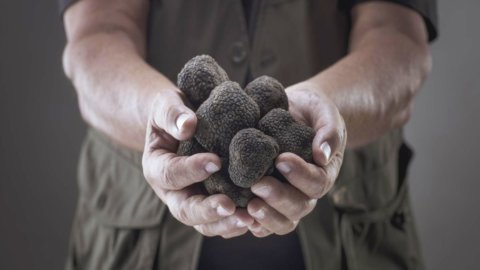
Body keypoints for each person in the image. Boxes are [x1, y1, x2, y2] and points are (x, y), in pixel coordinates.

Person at [60, 0, 437, 269]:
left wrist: (328, 103)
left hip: (351, 242)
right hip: (135, 245)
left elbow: (397, 38)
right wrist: (156, 113)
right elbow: (97, 35)